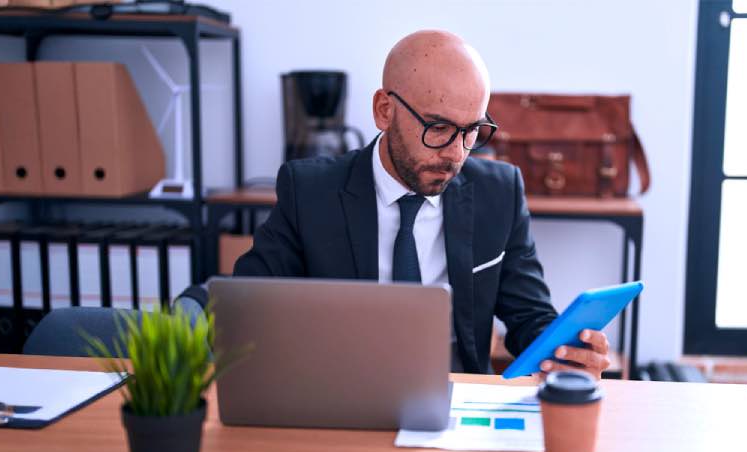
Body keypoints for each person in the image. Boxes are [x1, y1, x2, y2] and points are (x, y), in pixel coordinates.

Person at [234, 30, 610, 377]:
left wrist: (565, 354)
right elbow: (247, 303)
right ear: (384, 110)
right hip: (342, 394)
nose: (455, 153)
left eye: (472, 131)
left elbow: (529, 314)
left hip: (459, 396)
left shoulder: (500, 193)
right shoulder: (310, 191)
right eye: (439, 128)